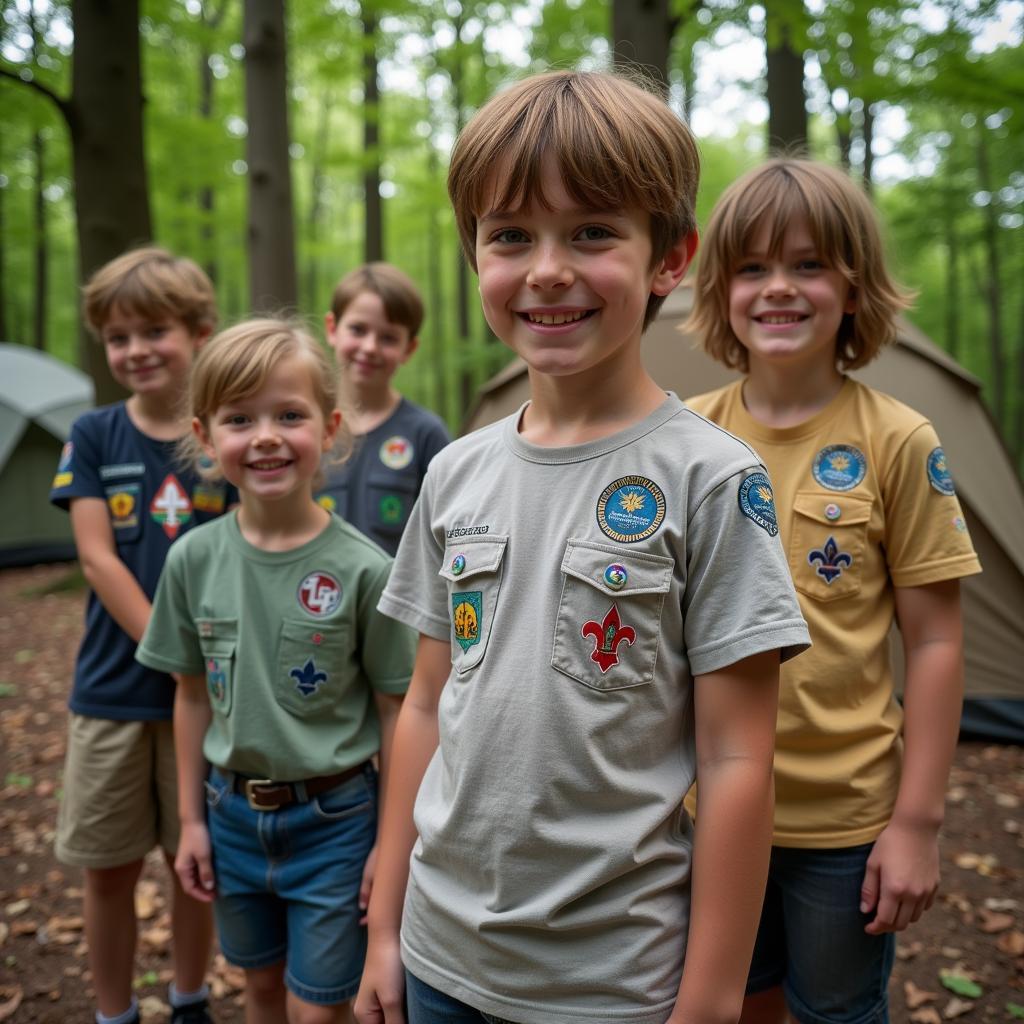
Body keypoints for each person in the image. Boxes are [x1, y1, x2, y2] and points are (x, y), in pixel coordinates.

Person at [353, 70, 812, 1024]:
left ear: (669, 259)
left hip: (612, 982)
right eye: (511, 235)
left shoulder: (712, 480)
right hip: (439, 957)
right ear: (474, 254)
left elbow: (737, 761)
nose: (547, 269)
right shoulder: (455, 474)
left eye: (593, 231)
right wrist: (388, 930)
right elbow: (427, 703)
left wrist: (713, 999)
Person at [685, 158, 982, 1024]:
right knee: (733, 1002)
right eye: (753, 268)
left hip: (845, 824)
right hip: (702, 806)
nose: (779, 289)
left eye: (809, 264)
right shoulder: (687, 436)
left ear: (853, 287)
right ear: (720, 288)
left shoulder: (898, 440)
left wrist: (917, 823)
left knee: (838, 1013)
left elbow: (935, 643)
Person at [136, 319, 416, 1024]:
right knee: (259, 988)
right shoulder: (191, 561)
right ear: (205, 437)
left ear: (329, 429)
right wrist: (191, 822)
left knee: (317, 1008)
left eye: (288, 415)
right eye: (239, 419)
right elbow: (191, 695)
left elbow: (395, 712)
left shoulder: (364, 569)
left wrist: (389, 842)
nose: (264, 436)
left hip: (337, 820)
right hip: (232, 815)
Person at [49, 247, 227, 1024]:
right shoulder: (92, 436)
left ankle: (189, 1000)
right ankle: (113, 1013)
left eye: (154, 330)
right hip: (114, 695)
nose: (135, 351)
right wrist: (169, 647)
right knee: (107, 870)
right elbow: (96, 555)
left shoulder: (224, 436)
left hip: (217, 696)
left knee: (197, 866)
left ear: (198, 331)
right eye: (118, 338)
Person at [320, 263, 450, 555]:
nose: (370, 347)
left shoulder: (426, 434)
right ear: (332, 329)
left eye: (388, 337)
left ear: (409, 349)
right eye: (357, 329)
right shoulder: (304, 426)